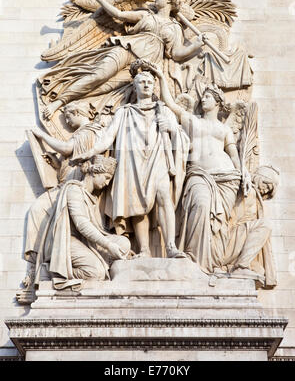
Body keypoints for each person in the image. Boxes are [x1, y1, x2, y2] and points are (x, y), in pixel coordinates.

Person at [73, 60, 190, 259]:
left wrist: (170, 128)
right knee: (137, 205)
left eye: (149, 82)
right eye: (142, 82)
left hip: (157, 158)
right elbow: (108, 137)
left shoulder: (163, 110)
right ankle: (144, 249)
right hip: (133, 162)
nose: (146, 85)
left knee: (164, 197)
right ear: (135, 86)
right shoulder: (124, 112)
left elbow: (184, 136)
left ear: (155, 86)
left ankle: (170, 246)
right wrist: (89, 152)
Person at [40, 0, 205, 119]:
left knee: (106, 86)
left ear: (168, 0)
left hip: (143, 66)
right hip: (128, 48)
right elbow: (118, 14)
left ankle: (75, 104)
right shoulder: (145, 15)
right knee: (99, 75)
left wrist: (195, 45)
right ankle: (59, 102)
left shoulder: (175, 27)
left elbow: (176, 54)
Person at [148, 62, 252, 274]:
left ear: (217, 102)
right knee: (201, 206)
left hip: (226, 179)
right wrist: (160, 77)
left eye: (207, 97)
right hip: (199, 175)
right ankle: (195, 261)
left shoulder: (224, 129)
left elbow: (233, 153)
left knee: (218, 223)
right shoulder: (191, 121)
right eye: (203, 96)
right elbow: (170, 103)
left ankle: (211, 263)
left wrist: (245, 172)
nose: (203, 99)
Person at [24, 101, 106, 267]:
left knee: (37, 210)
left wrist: (42, 135)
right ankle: (39, 262)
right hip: (66, 184)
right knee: (39, 212)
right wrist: (56, 163)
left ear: (77, 112)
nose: (67, 123)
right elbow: (71, 159)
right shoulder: (82, 133)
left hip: (73, 187)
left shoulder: (87, 132)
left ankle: (38, 263)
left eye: (68, 118)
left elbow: (68, 149)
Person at [34, 155, 130, 290]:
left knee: (124, 243)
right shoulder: (74, 190)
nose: (107, 183)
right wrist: (108, 245)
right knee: (96, 272)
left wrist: (112, 243)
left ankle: (103, 261)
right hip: (67, 241)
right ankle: (52, 270)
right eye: (107, 178)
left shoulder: (92, 198)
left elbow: (97, 229)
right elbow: (82, 225)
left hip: (85, 242)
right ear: (95, 172)